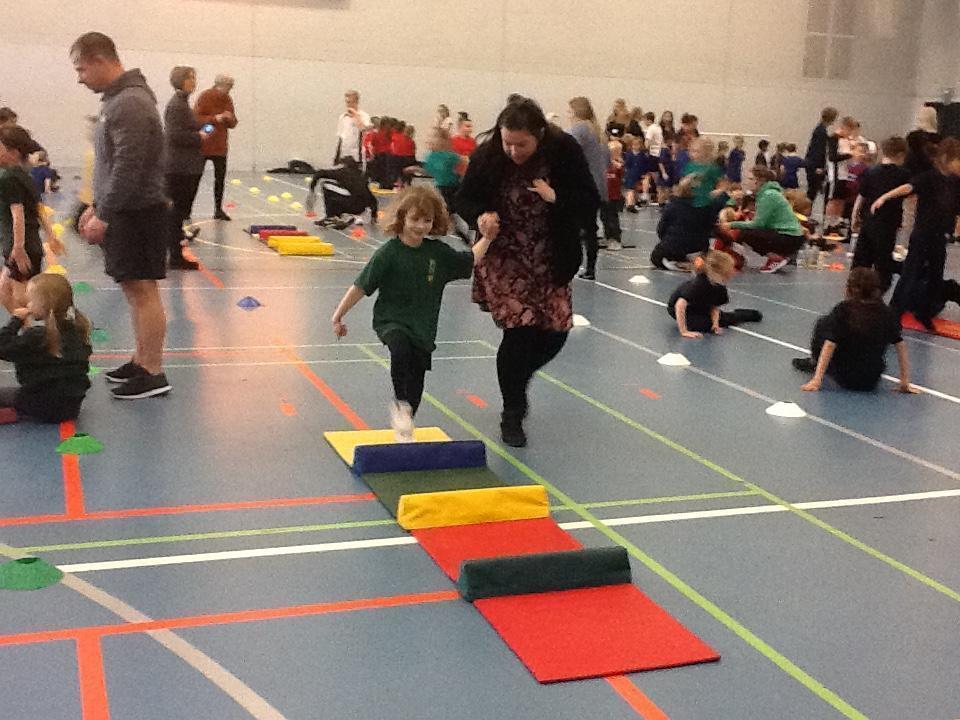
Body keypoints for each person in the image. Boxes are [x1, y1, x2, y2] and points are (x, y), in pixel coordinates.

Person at [457, 96, 599, 447]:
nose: (513, 151)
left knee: (555, 333)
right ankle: (513, 412)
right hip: (505, 256)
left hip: (551, 256)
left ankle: (517, 379)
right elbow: (464, 198)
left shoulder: (563, 150)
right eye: (508, 143)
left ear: (539, 135)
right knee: (518, 333)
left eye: (521, 145)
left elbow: (588, 199)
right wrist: (480, 216)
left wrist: (556, 197)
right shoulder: (489, 155)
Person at [330, 186, 493, 439]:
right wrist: (338, 315)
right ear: (402, 218)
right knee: (400, 349)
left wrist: (488, 238)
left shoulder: (437, 253)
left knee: (417, 377)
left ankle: (406, 421)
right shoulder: (388, 253)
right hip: (391, 320)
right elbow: (361, 286)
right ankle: (400, 404)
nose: (420, 226)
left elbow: (469, 260)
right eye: (415, 219)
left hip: (423, 326)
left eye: (427, 220)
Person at [71, 31, 171, 399]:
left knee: (143, 290)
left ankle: (153, 372)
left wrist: (106, 214)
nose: (79, 78)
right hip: (126, 210)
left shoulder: (130, 103)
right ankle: (140, 360)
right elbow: (111, 164)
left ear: (100, 60)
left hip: (138, 213)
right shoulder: (118, 101)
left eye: (82, 69)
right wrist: (96, 205)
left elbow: (129, 166)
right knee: (133, 290)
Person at [872, 138, 960, 329]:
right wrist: (885, 197)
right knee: (910, 275)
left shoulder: (955, 182)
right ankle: (894, 313)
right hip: (923, 235)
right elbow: (908, 187)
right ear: (947, 158)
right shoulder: (929, 177)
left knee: (936, 278)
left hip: (940, 236)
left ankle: (924, 312)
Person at [793, 268, 914, 393]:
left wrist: (817, 380)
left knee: (823, 323)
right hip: (871, 379)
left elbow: (830, 344)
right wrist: (904, 381)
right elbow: (900, 345)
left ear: (849, 289)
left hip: (844, 376)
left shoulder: (843, 309)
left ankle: (814, 361)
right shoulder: (886, 312)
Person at [0, 273, 91, 423]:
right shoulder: (78, 330)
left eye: (31, 301)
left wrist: (16, 320)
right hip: (71, 407)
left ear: (44, 305)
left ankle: (16, 412)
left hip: (41, 405)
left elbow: (2, 347)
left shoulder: (38, 337)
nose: (28, 305)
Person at [0, 126, 62, 314]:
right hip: (28, 245)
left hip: (21, 247)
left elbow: (17, 213)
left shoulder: (9, 178)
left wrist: (18, 248)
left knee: (25, 299)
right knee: (4, 291)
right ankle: (26, 328)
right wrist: (51, 236)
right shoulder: (24, 175)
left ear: (13, 152)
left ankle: (43, 329)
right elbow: (38, 209)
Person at [850, 137, 909, 292]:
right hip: (888, 223)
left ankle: (856, 287)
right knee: (883, 261)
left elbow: (861, 196)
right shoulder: (903, 175)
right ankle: (879, 290)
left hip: (868, 221)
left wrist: (854, 216)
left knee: (862, 257)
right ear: (901, 155)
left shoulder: (871, 171)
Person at [720, 165, 804, 273]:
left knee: (745, 233)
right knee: (746, 231)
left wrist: (731, 224)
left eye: (750, 179)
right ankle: (779, 255)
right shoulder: (766, 193)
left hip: (789, 237)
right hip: (789, 235)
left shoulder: (768, 195)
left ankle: (776, 258)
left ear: (759, 181)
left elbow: (758, 224)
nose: (747, 182)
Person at [163, 66, 206, 270]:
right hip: (180, 167)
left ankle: (175, 252)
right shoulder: (177, 105)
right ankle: (175, 256)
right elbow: (174, 135)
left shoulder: (183, 104)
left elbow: (188, 128)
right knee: (176, 213)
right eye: (191, 78)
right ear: (181, 80)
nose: (194, 82)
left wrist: (209, 125)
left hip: (186, 166)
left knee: (179, 212)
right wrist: (199, 136)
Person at [667, 250, 762, 338]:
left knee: (721, 320)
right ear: (719, 272)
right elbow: (679, 306)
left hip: (699, 307)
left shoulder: (718, 287)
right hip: (681, 309)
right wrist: (684, 331)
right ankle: (740, 315)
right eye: (730, 270)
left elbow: (713, 306)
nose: (733, 273)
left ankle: (746, 314)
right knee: (704, 325)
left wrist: (715, 323)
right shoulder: (699, 285)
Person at [567, 96, 609, 280]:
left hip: (583, 186)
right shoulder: (598, 132)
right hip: (598, 186)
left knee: (574, 229)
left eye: (569, 111)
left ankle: (573, 265)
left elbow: (565, 147)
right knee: (590, 229)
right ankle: (590, 268)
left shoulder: (579, 129)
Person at [651, 176, 729, 270]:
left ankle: (678, 262)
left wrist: (666, 240)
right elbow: (711, 226)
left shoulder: (673, 205)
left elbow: (661, 229)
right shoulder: (708, 207)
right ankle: (693, 260)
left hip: (674, 246)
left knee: (656, 256)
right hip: (698, 247)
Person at [194, 74, 238, 221]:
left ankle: (218, 209)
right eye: (228, 87)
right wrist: (215, 118)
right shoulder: (205, 96)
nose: (230, 90)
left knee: (220, 179)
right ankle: (187, 209)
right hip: (205, 143)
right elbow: (196, 119)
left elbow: (233, 123)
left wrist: (230, 119)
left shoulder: (228, 99)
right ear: (220, 85)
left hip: (220, 146)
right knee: (195, 177)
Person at [308, 157, 377, 227]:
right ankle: (346, 215)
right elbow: (371, 197)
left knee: (326, 185)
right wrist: (374, 215)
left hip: (349, 204)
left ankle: (331, 216)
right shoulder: (361, 175)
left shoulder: (342, 172)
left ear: (344, 165)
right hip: (360, 208)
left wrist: (312, 190)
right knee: (346, 191)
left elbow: (320, 173)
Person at [419, 128, 462, 210]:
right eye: (429, 136)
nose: (430, 139)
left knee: (451, 207)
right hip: (440, 187)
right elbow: (429, 171)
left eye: (434, 136)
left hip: (453, 187)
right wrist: (416, 169)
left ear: (443, 140)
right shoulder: (430, 156)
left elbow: (460, 167)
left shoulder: (450, 156)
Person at [804, 107, 839, 203]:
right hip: (814, 165)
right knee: (812, 192)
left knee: (812, 192)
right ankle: (805, 209)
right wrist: (817, 167)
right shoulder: (821, 131)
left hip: (812, 163)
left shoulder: (820, 129)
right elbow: (817, 150)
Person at [335, 90, 372, 164]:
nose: (348, 105)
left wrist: (355, 115)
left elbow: (363, 128)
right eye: (347, 102)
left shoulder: (364, 116)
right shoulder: (343, 117)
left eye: (351, 102)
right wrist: (337, 156)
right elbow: (341, 137)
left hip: (357, 155)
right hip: (344, 154)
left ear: (356, 102)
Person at [602, 140, 624, 251]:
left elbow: (621, 170)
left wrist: (614, 162)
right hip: (604, 196)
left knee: (612, 218)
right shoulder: (604, 164)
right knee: (604, 217)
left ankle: (616, 239)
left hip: (614, 197)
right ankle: (608, 237)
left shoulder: (618, 165)